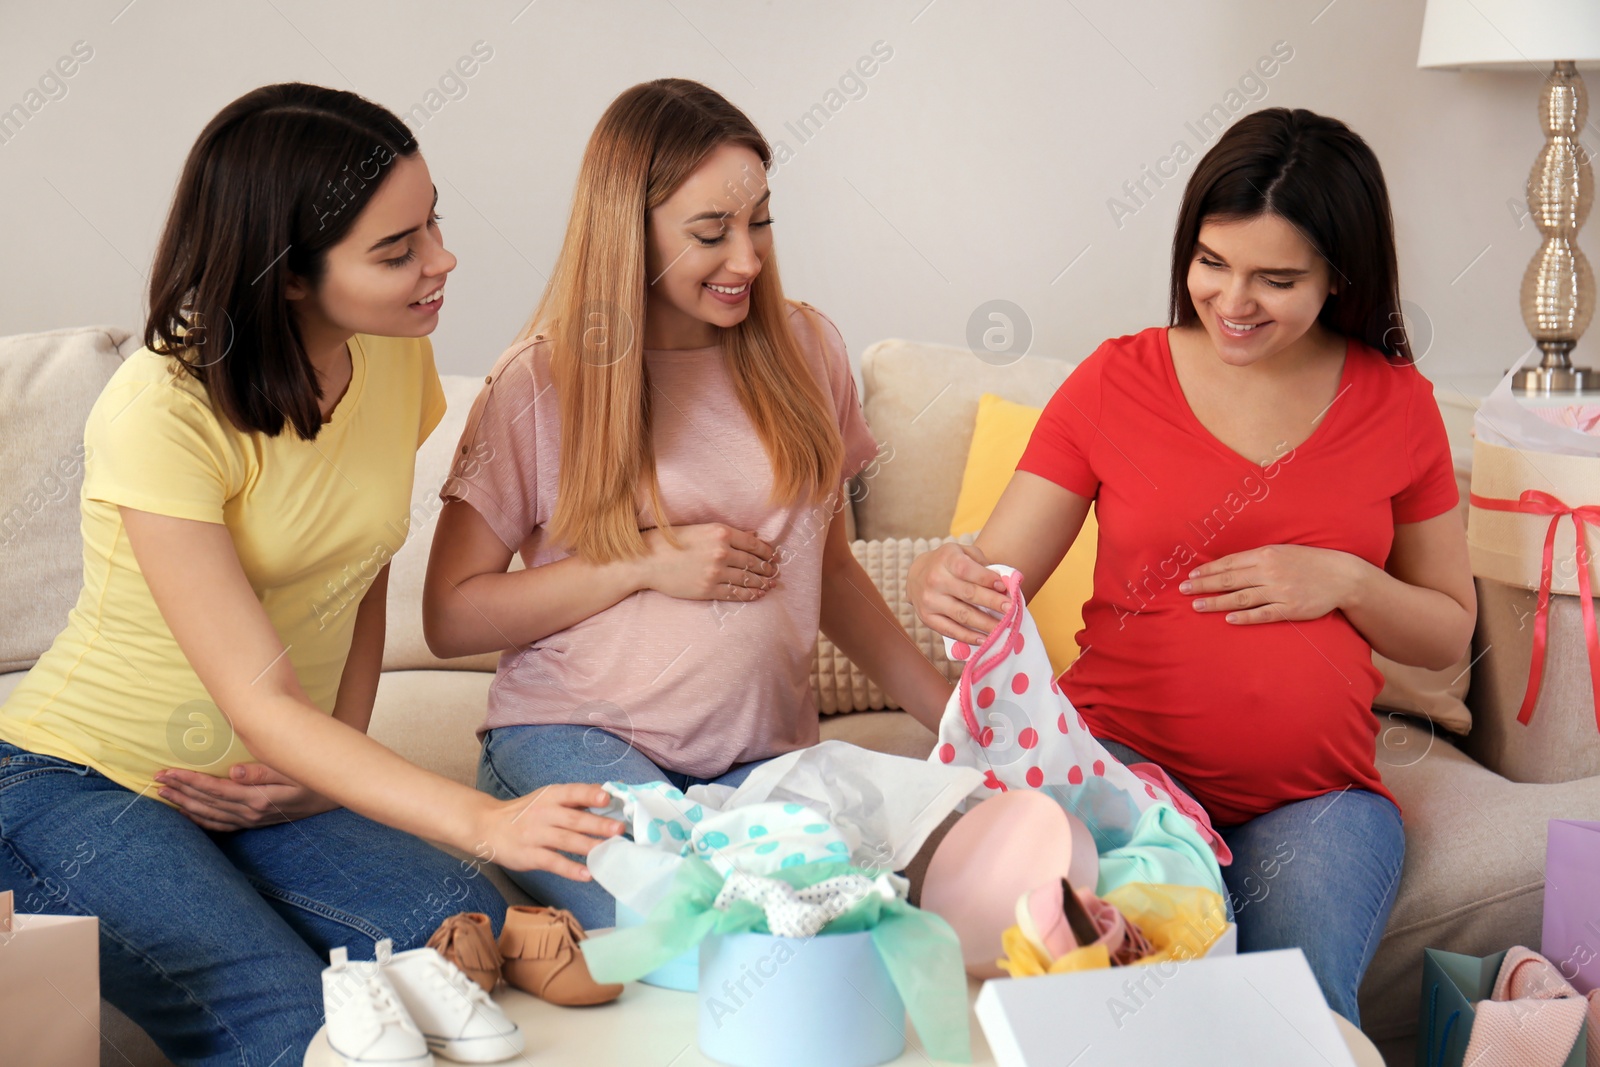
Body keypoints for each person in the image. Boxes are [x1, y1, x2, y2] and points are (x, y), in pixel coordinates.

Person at [0, 83, 622, 1064]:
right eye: (397, 249)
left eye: (433, 225)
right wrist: (486, 817)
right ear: (288, 275)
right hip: (75, 781)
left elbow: (359, 567)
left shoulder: (392, 354)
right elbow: (257, 697)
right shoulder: (161, 409)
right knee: (293, 1023)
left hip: (259, 777)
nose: (442, 262)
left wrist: (325, 759)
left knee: (458, 927)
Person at [908, 107, 1475, 1024]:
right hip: (1125, 772)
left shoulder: (1398, 405)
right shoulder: (1114, 381)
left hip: (1315, 801)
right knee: (1114, 1011)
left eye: (1276, 278)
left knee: (1298, 1020)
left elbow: (1451, 633)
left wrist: (1347, 581)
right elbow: (993, 571)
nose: (1233, 301)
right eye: (1211, 263)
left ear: (1340, 276)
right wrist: (947, 576)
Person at [424, 78, 953, 929]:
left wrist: (955, 716)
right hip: (574, 737)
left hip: (758, 758)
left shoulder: (808, 350)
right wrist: (642, 562)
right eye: (711, 233)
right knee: (701, 915)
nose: (746, 259)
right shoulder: (540, 383)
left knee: (843, 909)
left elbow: (832, 570)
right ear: (629, 233)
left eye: (761, 222)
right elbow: (450, 615)